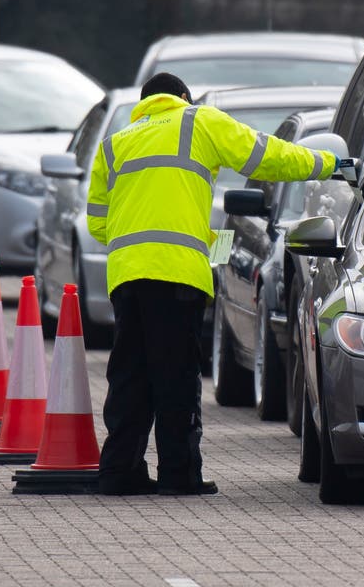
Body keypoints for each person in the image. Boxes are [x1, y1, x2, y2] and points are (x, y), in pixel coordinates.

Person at [86, 72, 338, 495]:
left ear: (144, 103)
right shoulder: (197, 121)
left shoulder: (116, 143)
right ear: (182, 97)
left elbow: (97, 222)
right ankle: (179, 475)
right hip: (178, 276)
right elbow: (268, 156)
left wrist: (147, 237)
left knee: (130, 373)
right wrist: (331, 164)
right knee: (177, 376)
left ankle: (118, 472)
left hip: (127, 276)